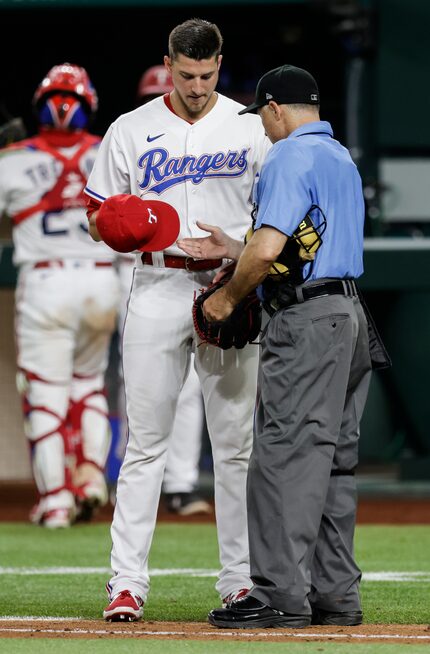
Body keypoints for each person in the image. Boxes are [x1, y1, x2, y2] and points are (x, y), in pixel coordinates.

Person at [85, 18, 270, 621]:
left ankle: (239, 583)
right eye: (186, 74)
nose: (196, 85)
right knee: (145, 446)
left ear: (221, 64)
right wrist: (119, 225)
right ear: (168, 65)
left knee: (235, 445)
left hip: (230, 286)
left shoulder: (249, 126)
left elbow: (276, 211)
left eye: (207, 74)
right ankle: (127, 583)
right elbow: (97, 214)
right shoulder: (130, 128)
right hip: (159, 284)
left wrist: (239, 250)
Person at [179, 64, 372, 629]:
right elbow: (302, 240)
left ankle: (280, 595)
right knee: (333, 460)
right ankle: (335, 595)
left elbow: (268, 254)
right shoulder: (339, 157)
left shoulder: (287, 155)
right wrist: (232, 248)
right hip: (349, 314)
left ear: (275, 108)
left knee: (282, 456)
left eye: (261, 115)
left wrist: (227, 297)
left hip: (306, 318)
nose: (262, 127)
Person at [0, 63, 120, 528]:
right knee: (88, 384)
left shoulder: (13, 158)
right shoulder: (110, 151)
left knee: (45, 393)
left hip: (46, 282)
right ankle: (90, 479)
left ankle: (55, 500)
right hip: (101, 278)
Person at [114, 64, 211, 517]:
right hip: (139, 273)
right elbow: (98, 219)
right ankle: (128, 475)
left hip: (206, 274)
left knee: (191, 390)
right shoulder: (130, 134)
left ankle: (182, 482)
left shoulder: (221, 133)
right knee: (138, 388)